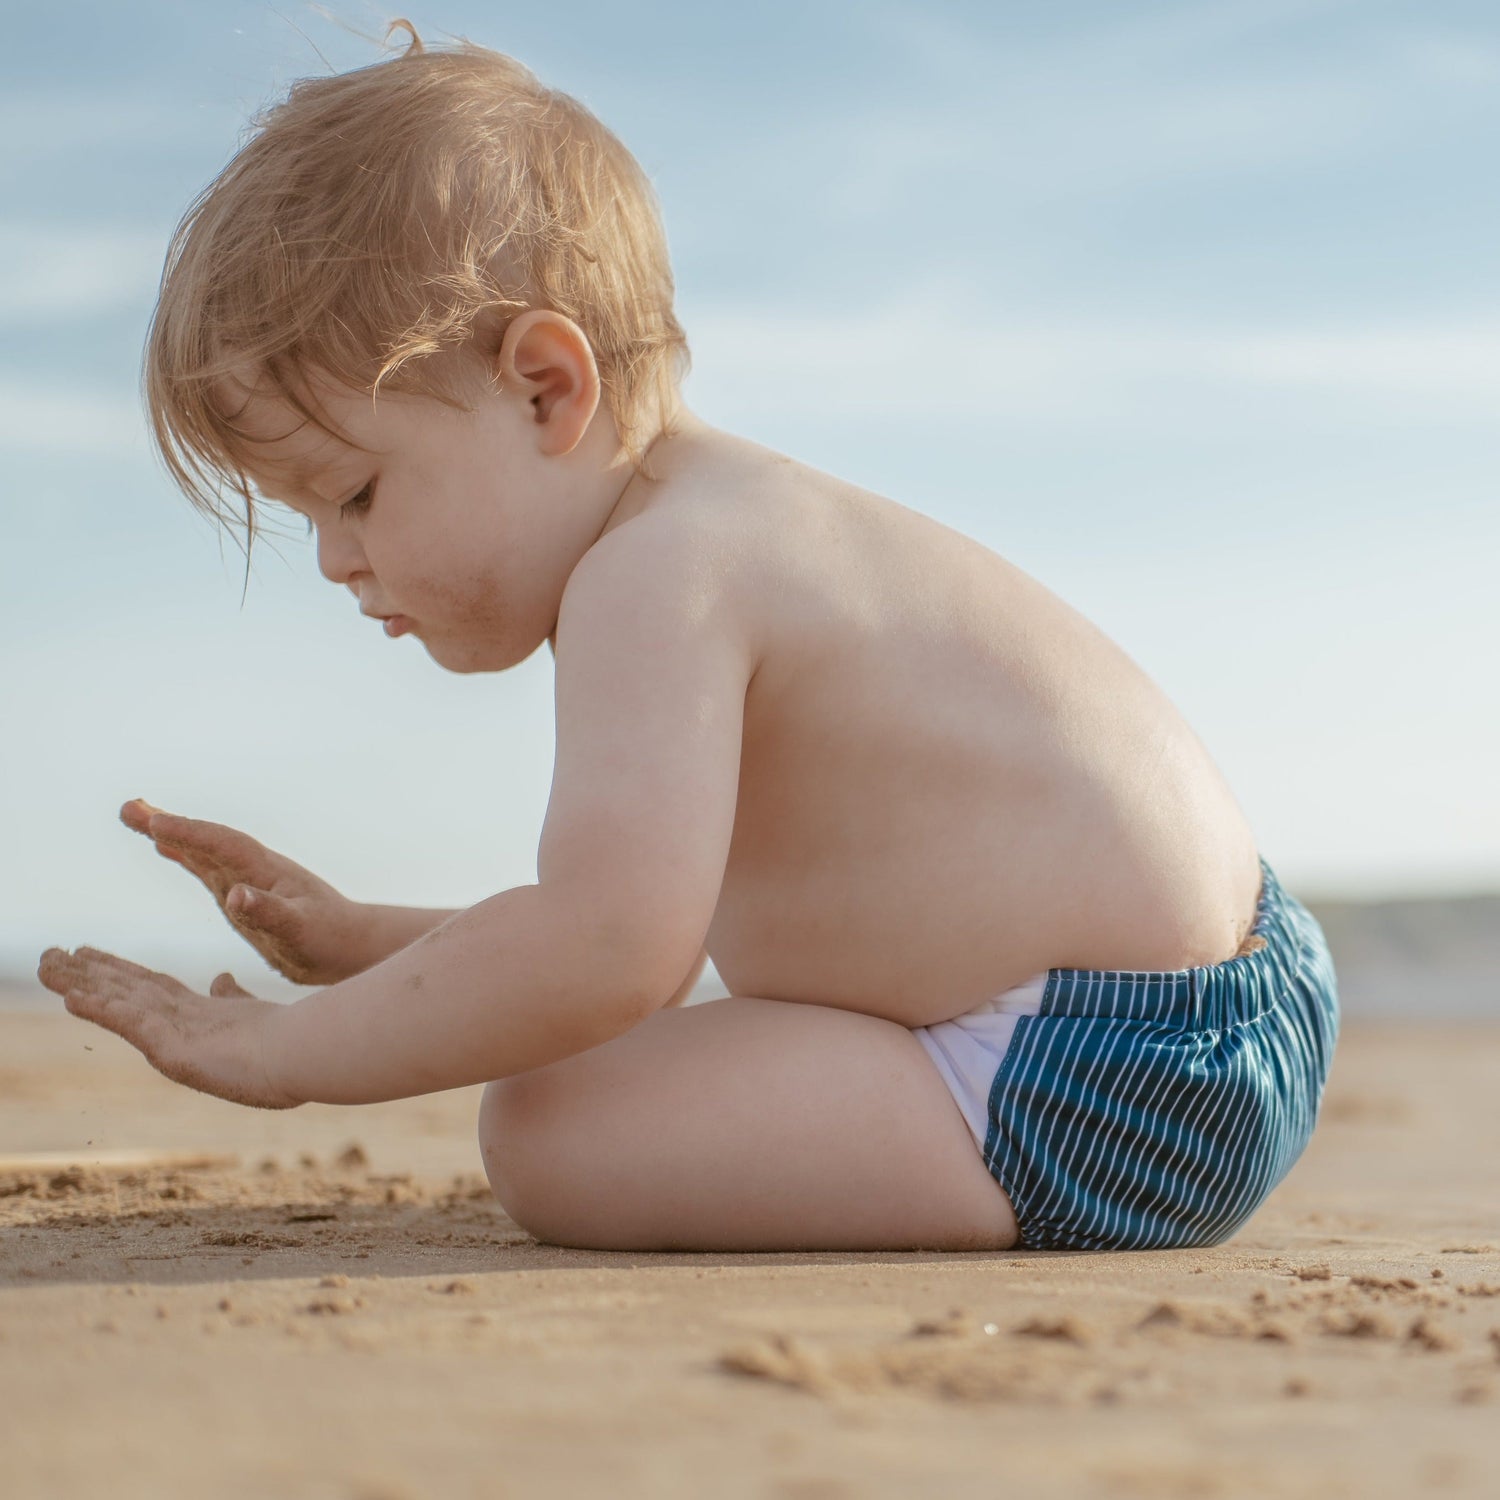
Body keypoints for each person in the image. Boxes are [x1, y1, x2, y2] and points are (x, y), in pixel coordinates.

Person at [37, 29, 1338, 1254]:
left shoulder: (655, 580)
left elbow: (611, 956)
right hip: (1245, 990)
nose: (336, 559)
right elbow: (629, 920)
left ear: (547, 389)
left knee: (553, 1127)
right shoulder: (725, 522)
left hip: (1106, 1085)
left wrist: (280, 1054)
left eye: (357, 494)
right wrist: (368, 937)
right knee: (596, 1060)